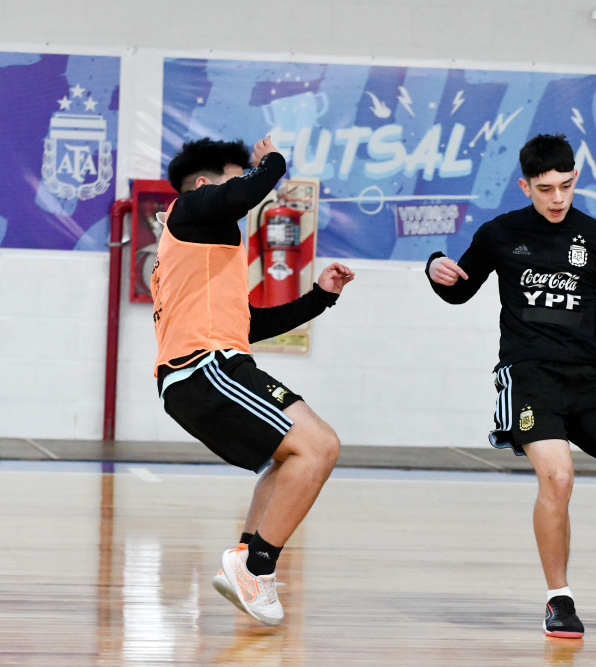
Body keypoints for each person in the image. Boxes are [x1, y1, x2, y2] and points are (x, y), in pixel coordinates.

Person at [426, 134, 596, 638]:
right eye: (545, 188)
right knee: (558, 477)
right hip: (530, 376)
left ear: (575, 178)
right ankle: (559, 597)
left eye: (565, 185)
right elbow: (459, 291)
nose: (557, 198)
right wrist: (435, 268)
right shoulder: (500, 233)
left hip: (592, 378)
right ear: (525, 186)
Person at [151, 136, 354, 627]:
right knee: (320, 447)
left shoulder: (201, 248)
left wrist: (320, 297)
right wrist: (272, 163)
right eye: (233, 175)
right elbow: (245, 194)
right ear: (204, 186)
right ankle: (256, 566)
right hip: (205, 368)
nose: (242, 185)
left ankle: (245, 556)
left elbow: (250, 324)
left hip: (207, 369)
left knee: (288, 460)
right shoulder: (189, 208)